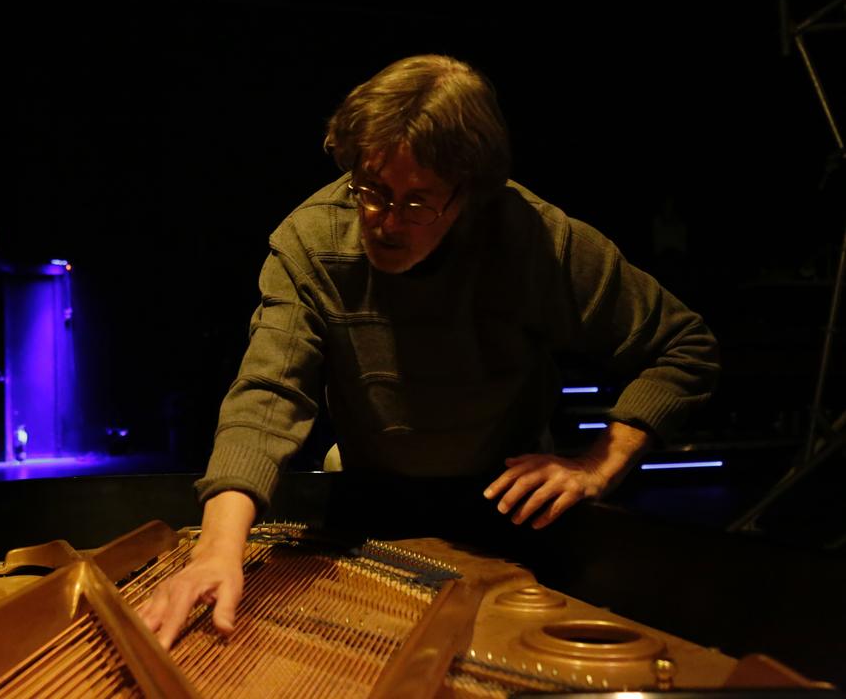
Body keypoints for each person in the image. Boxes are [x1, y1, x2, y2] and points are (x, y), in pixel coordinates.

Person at [138, 54, 719, 648]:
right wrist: (216, 550)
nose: (386, 222)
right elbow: (268, 395)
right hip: (369, 505)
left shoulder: (537, 241)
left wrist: (597, 462)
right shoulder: (311, 240)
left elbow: (684, 346)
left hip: (508, 516)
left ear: (470, 192)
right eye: (371, 191)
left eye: (417, 202)